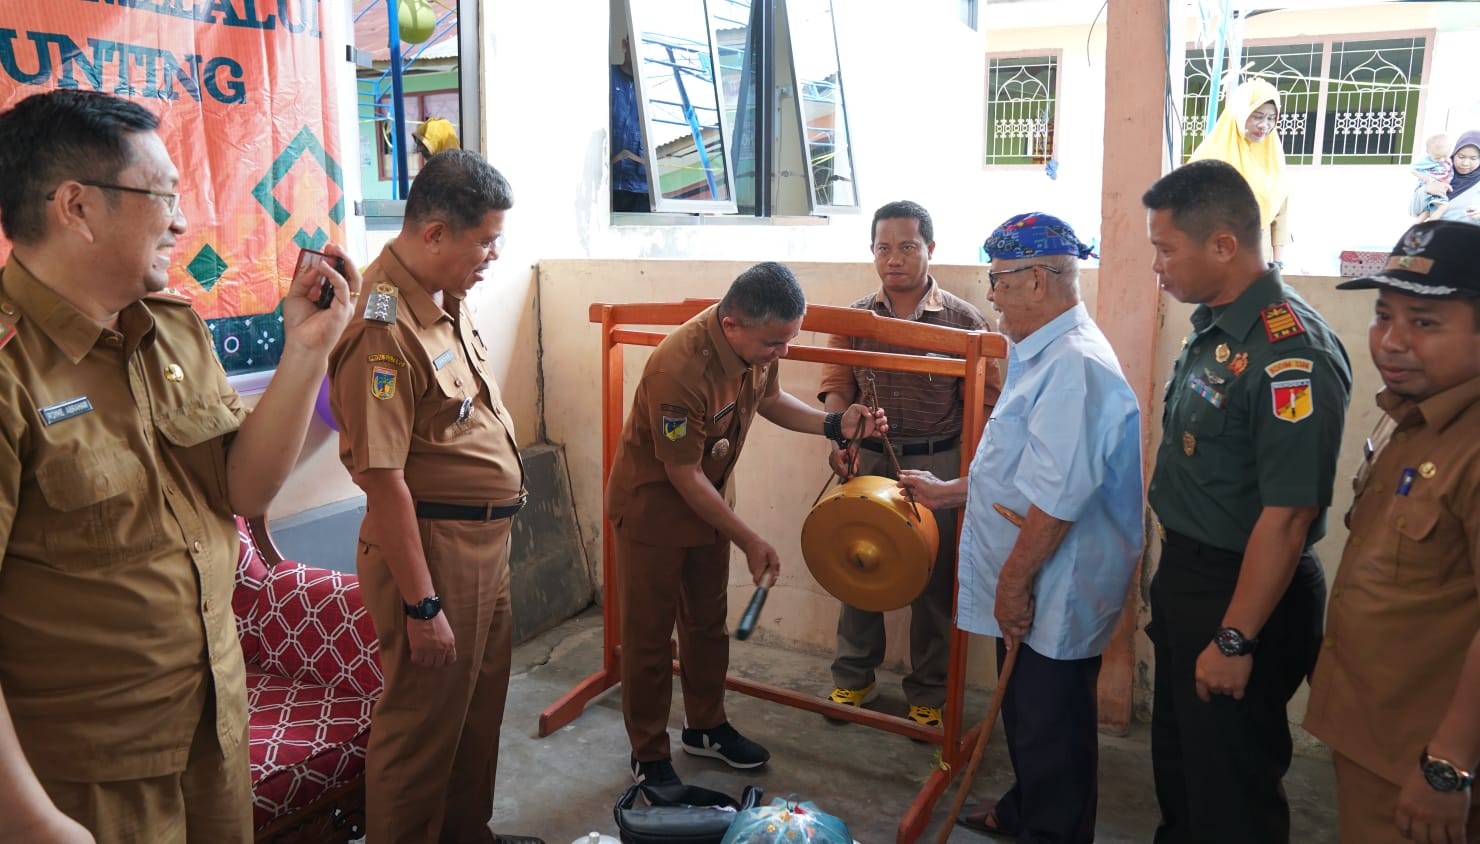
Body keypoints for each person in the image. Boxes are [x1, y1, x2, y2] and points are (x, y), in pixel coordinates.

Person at [0, 89, 359, 842]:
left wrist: (307, 350)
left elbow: (243, 489)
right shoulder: (12, 373)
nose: (182, 221)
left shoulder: (172, 330)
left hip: (214, 730)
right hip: (89, 779)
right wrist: (30, 820)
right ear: (77, 207)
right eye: (162, 197)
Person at [899, 212, 1143, 842]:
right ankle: (1024, 808)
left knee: (1051, 723)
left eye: (1000, 280)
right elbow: (1021, 472)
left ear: (1038, 280)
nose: (991, 294)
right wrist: (950, 492)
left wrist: (1012, 585)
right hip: (1033, 573)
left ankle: (1051, 829)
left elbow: (1057, 501)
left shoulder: (1075, 366)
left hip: (1053, 582)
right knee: (1028, 715)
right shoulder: (1040, 352)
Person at [327, 150, 541, 844]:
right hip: (433, 550)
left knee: (476, 711)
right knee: (422, 729)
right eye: (485, 241)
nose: (494, 256)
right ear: (435, 234)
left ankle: (466, 834)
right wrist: (422, 606)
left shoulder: (444, 297)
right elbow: (382, 478)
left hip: (482, 544)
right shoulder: (382, 327)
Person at [605, 262, 887, 789]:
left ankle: (705, 727)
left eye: (789, 340)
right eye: (774, 343)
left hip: (711, 505)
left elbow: (771, 400)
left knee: (706, 626)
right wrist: (749, 538)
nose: (783, 352)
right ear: (731, 324)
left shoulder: (757, 345)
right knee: (649, 640)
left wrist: (834, 424)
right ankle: (649, 754)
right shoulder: (678, 369)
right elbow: (682, 475)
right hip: (654, 513)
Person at [1141, 159, 1353, 843]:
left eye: (1166, 249)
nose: (1157, 266)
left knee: (1231, 792)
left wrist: (1235, 638)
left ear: (1224, 245)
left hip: (1245, 593)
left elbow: (1289, 515)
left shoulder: (1292, 353)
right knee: (1182, 770)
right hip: (1192, 575)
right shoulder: (1216, 327)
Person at [1305, 220, 1480, 843]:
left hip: (1426, 755)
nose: (1392, 341)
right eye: (1384, 316)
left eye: (1425, 323)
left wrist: (1448, 765)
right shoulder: (1410, 418)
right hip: (1373, 733)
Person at [816, 200, 1001, 729]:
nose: (893, 258)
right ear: (872, 251)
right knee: (857, 564)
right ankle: (854, 678)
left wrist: (965, 476)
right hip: (870, 458)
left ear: (930, 249)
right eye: (883, 248)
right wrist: (843, 436)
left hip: (938, 460)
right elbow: (836, 385)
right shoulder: (853, 319)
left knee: (934, 578)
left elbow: (985, 404)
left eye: (906, 247)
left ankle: (929, 693)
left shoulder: (965, 322)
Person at [1189, 78, 1291, 266]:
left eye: (1271, 118)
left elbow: (1280, 216)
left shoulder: (1273, 157)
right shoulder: (1209, 157)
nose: (1264, 125)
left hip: (1260, 260)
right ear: (1240, 113)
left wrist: (1278, 262)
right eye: (1257, 116)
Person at [611, 35, 650, 213]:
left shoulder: (652, 88)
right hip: (607, 183)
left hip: (641, 187)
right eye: (635, 44)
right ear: (625, 44)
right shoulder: (607, 77)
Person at [1437, 131, 1480, 226]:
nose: (1465, 163)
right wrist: (1426, 190)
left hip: (1470, 233)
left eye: (1473, 158)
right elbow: (1414, 210)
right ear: (1453, 154)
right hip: (1438, 232)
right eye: (1461, 157)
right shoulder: (1438, 173)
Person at [1410, 132, 1453, 222]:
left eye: (1445, 156)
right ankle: (1431, 225)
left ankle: (1416, 227)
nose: (1441, 160)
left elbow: (1449, 173)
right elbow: (1413, 169)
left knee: (1427, 212)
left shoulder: (1448, 161)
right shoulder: (1426, 161)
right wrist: (1427, 179)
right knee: (1443, 206)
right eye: (1437, 158)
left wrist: (1447, 183)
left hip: (1439, 187)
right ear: (1428, 153)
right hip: (1429, 188)